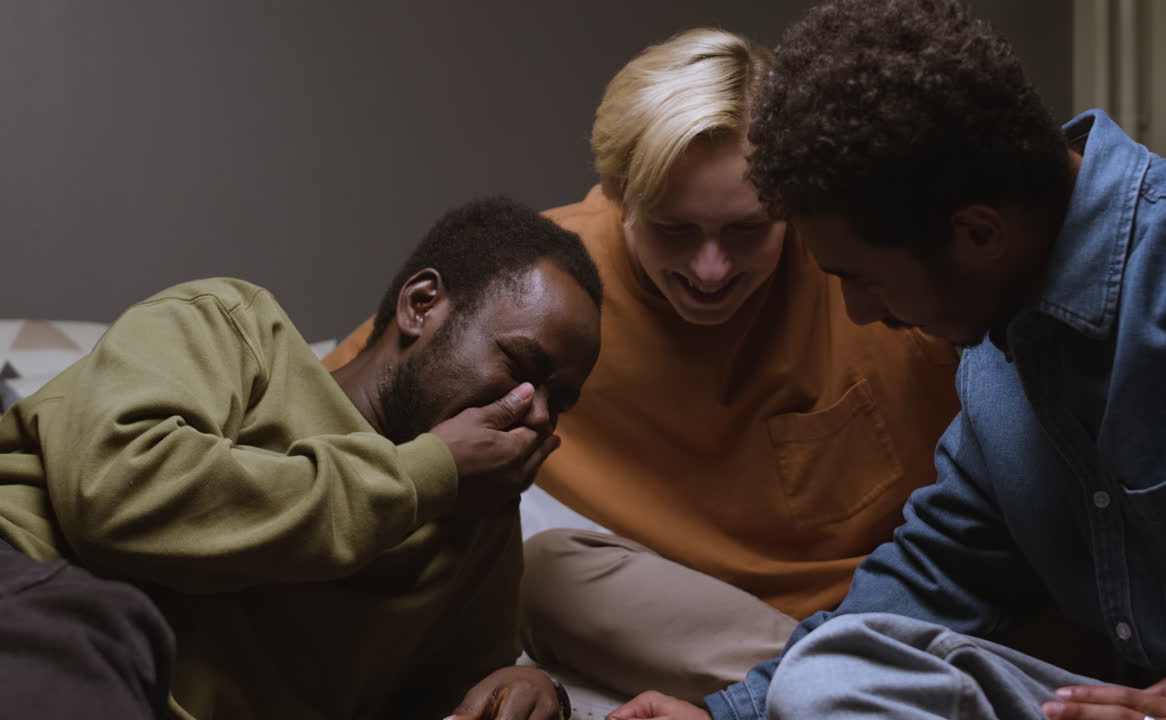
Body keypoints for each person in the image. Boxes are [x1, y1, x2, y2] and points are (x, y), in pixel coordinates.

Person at [607, 1, 1166, 719]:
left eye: (863, 278)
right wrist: (727, 715)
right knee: (822, 683)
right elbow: (938, 567)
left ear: (976, 233)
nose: (859, 313)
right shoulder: (1000, 354)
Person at [323, 28, 962, 701]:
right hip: (693, 631)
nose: (711, 271)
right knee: (546, 574)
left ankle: (859, 685)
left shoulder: (862, 271)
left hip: (892, 612)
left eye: (748, 229)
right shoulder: (544, 291)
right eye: (674, 229)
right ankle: (853, 690)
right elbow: (340, 401)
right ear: (621, 197)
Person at [0, 196, 603, 720]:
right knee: (105, 627)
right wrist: (424, 473)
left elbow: (449, 689)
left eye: (561, 401)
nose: (538, 414)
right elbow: (118, 496)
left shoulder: (472, 510)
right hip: (22, 578)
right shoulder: (235, 330)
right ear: (422, 305)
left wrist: (530, 691)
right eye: (522, 367)